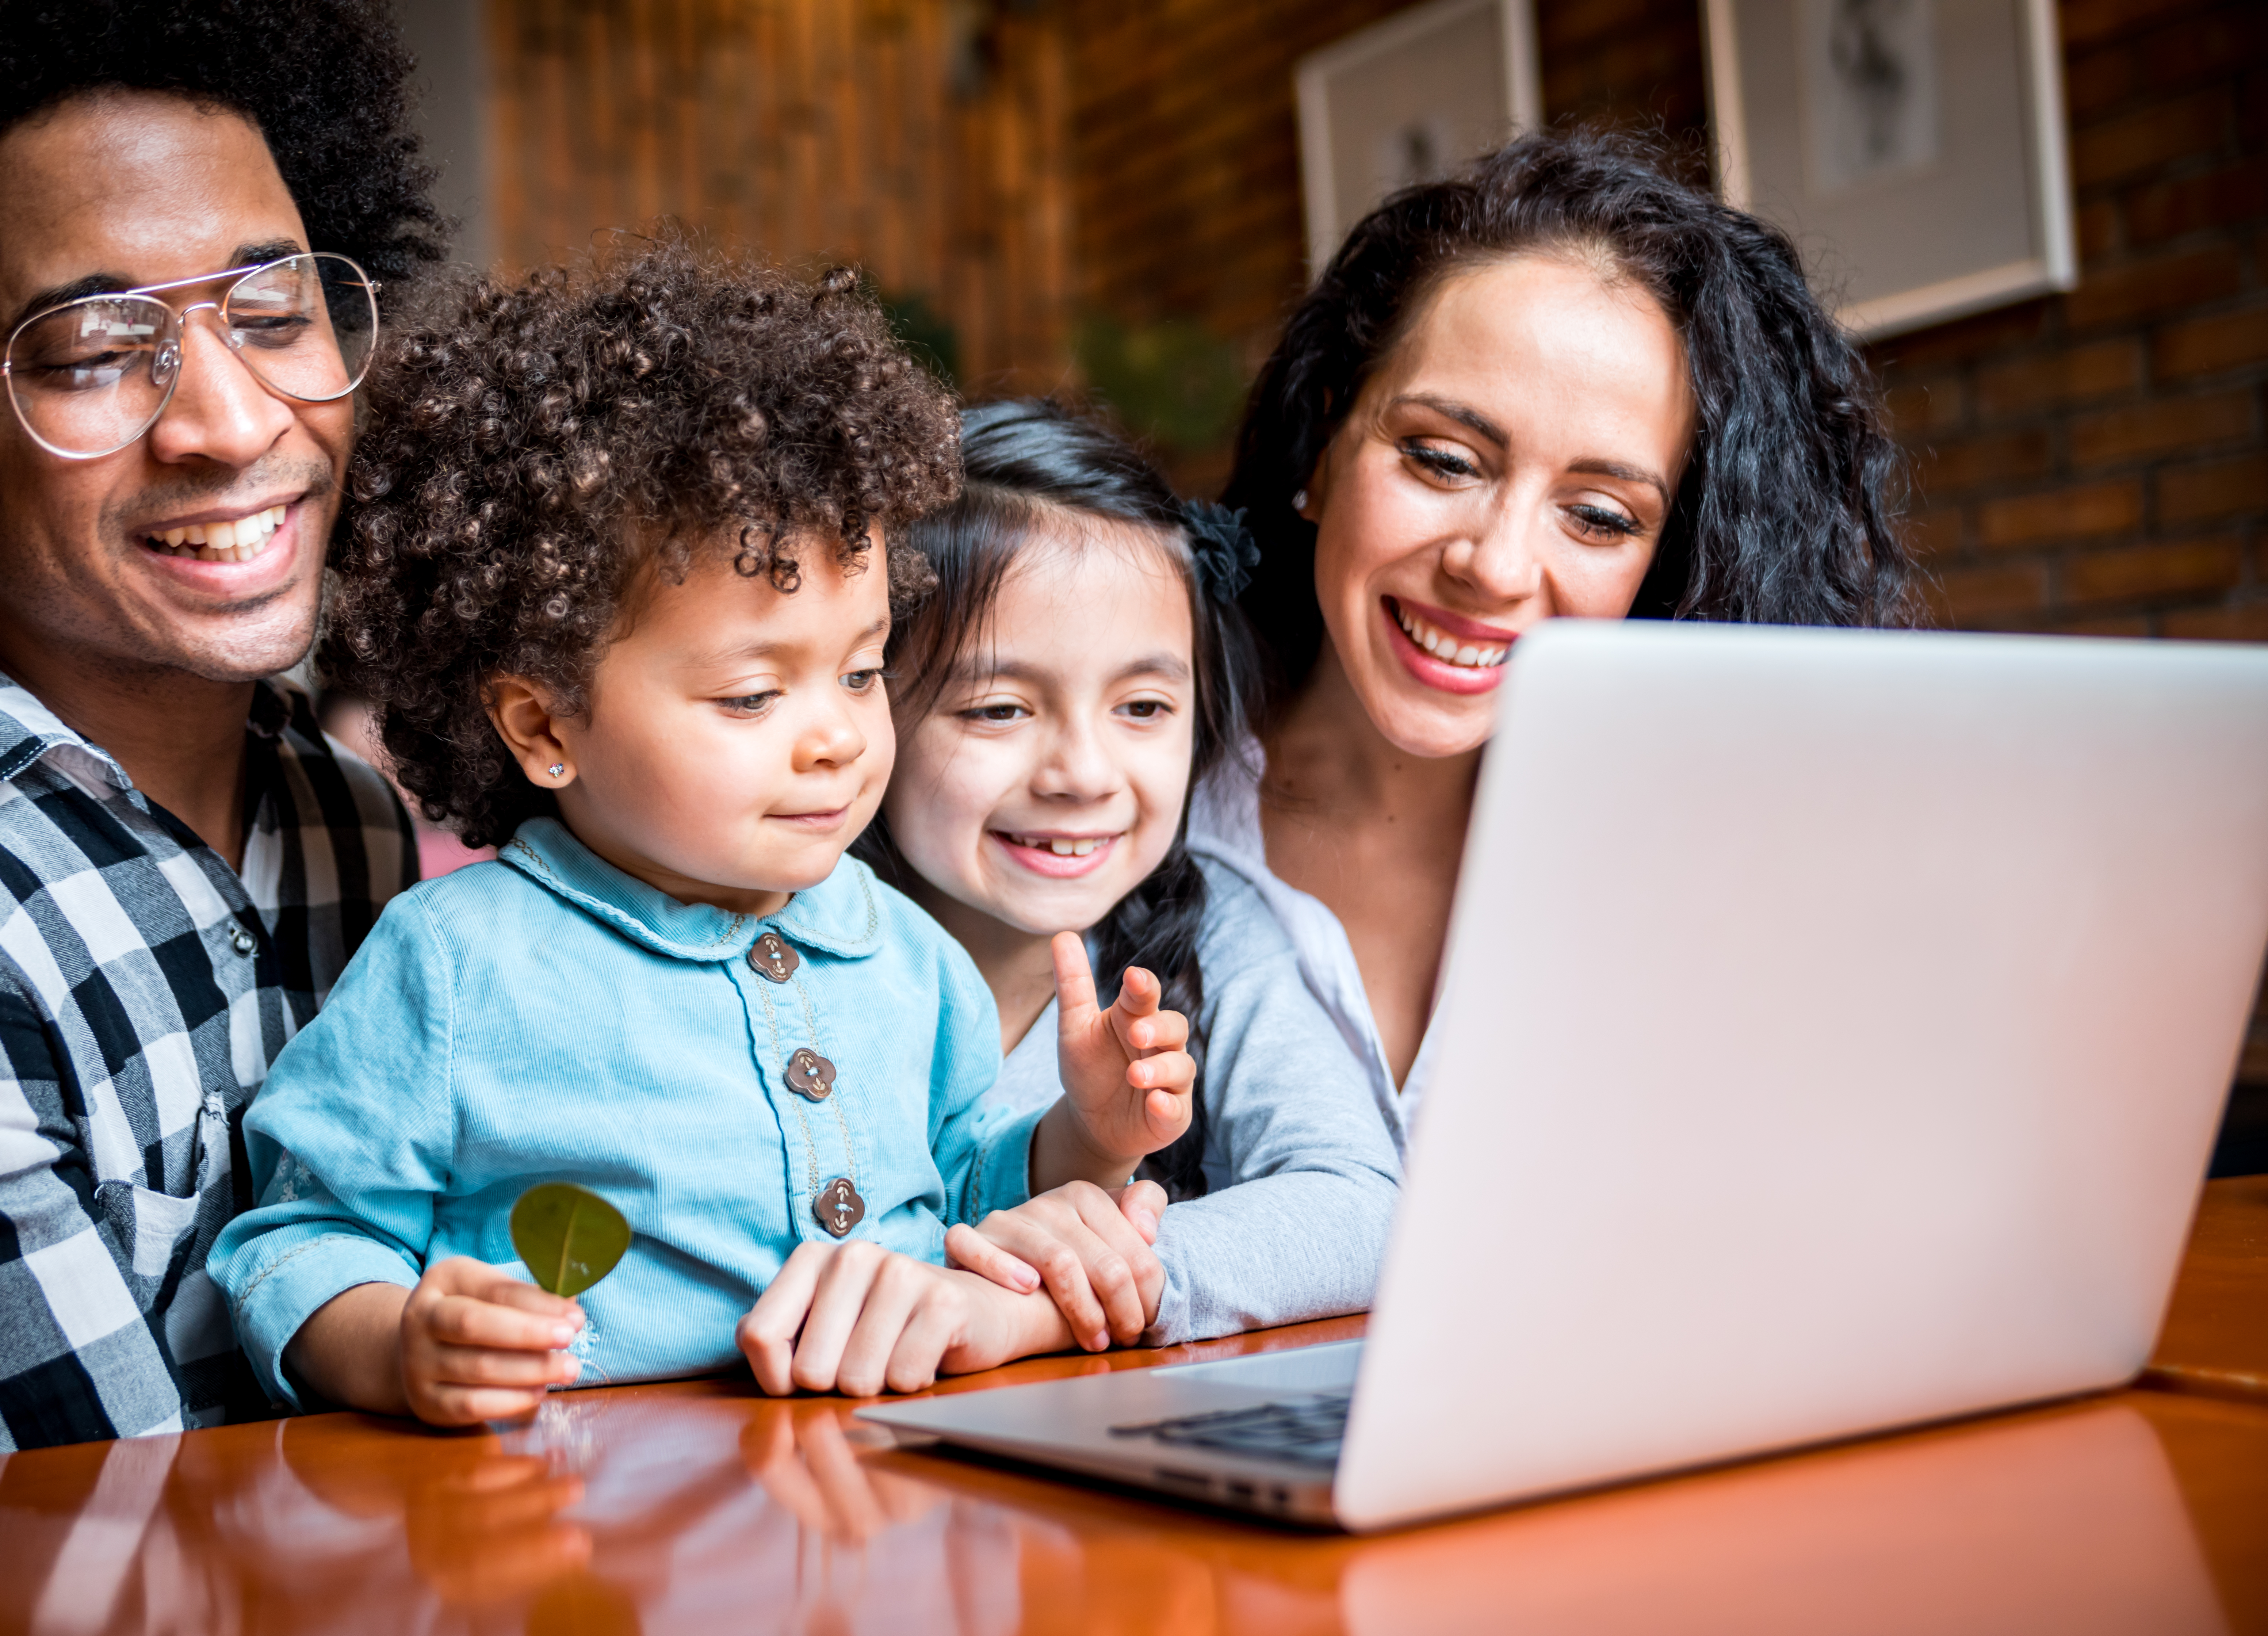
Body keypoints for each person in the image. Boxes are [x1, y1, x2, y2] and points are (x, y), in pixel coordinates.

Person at [210, 242, 1203, 1425]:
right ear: (543, 724)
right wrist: (396, 1344)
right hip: (588, 1540)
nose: (837, 737)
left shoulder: (905, 955)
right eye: (750, 695)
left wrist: (1080, 1141)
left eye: (862, 670)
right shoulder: (453, 967)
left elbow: (960, 1199)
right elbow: (296, 1239)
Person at [0, 0, 440, 1460]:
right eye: (96, 350)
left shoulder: (347, 815)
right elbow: (110, 1557)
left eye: (273, 314)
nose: (229, 421)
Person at [1211, 130, 1921, 1139]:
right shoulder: (1100, 798)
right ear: (1325, 446)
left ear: (1665, 562)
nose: (1494, 567)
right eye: (1443, 458)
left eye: (1599, 516)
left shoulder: (1696, 867)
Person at [857, 399, 1399, 1350]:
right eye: (997, 710)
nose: (1084, 774)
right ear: (863, 703)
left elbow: (1362, 1209)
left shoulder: (1214, 933)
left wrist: (1048, 1301)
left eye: (1143, 706)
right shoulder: (791, 956)